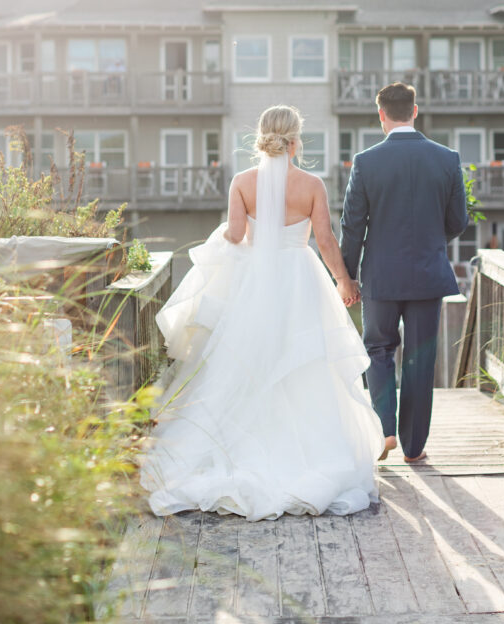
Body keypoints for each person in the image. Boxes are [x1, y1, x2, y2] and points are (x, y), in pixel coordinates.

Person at [140, 105, 384, 520]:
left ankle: (236, 452)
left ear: (262, 137)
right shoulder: (310, 184)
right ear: (295, 139)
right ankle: (308, 454)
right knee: (304, 363)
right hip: (299, 281)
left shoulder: (242, 182)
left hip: (253, 283)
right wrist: (344, 281)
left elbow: (236, 235)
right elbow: (324, 239)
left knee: (245, 361)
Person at [340, 82, 469, 464]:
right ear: (416, 111)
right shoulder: (447, 159)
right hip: (428, 275)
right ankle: (414, 447)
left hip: (380, 276)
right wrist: (430, 238)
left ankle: (385, 431)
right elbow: (458, 221)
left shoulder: (365, 162)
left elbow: (352, 226)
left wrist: (347, 277)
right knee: (420, 358)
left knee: (378, 350)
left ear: (381, 115)